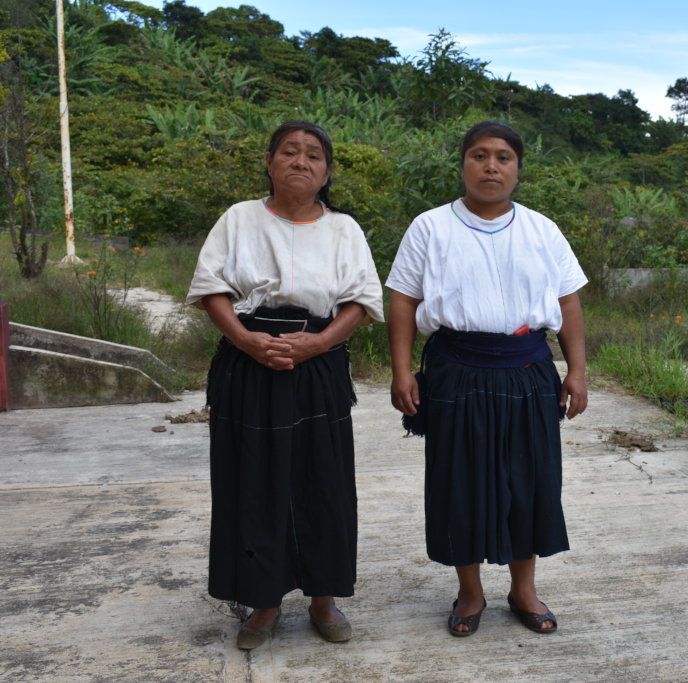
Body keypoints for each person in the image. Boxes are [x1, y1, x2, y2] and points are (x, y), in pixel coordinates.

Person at [186, 120, 384, 650]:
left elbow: (362, 302)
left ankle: (324, 598)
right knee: (252, 481)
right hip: (248, 361)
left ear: (327, 171)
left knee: (324, 481)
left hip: (317, 362)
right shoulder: (238, 219)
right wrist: (249, 341)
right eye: (290, 152)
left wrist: (317, 344)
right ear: (269, 162)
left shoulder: (344, 229)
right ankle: (262, 601)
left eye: (314, 155)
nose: (302, 161)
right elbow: (212, 290)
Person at [386, 120, 588, 637]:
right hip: (456, 369)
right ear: (463, 165)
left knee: (530, 480)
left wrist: (577, 371)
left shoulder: (543, 230)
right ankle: (470, 591)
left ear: (518, 169)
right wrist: (403, 369)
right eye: (479, 155)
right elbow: (404, 300)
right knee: (461, 481)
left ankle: (524, 589)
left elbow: (567, 301)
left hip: (528, 370)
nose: (491, 166)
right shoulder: (430, 227)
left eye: (503, 157)